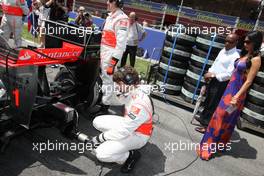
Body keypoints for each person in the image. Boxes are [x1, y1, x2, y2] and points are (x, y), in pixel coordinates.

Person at [197, 31, 263, 160]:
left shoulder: (256, 59)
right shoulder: (244, 54)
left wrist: (236, 96)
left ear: (255, 43)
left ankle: (209, 149)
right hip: (228, 90)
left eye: (248, 42)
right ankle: (215, 145)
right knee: (220, 118)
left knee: (222, 119)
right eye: (244, 41)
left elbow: (249, 81)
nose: (245, 44)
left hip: (236, 93)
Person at [90, 66, 154, 173]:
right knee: (97, 121)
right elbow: (120, 101)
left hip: (139, 135)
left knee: (101, 154)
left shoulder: (139, 104)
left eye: (119, 84)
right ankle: (115, 142)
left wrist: (99, 138)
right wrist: (116, 93)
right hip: (129, 126)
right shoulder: (133, 90)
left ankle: (129, 156)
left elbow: (124, 131)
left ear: (129, 83)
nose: (116, 86)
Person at [195, 33, 240, 133]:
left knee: (214, 103)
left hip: (221, 82)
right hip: (213, 78)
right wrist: (209, 72)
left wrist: (213, 76)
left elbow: (229, 74)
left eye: (230, 42)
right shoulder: (223, 50)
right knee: (208, 100)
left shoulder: (235, 56)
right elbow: (216, 63)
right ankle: (203, 118)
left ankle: (207, 126)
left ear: (236, 43)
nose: (227, 43)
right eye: (226, 41)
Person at [99, 0, 128, 113]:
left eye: (111, 1)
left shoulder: (122, 19)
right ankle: (115, 101)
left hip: (110, 57)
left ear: (118, 3)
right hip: (105, 54)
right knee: (109, 80)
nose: (107, 2)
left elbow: (121, 45)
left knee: (108, 81)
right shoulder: (110, 16)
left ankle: (104, 107)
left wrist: (113, 62)